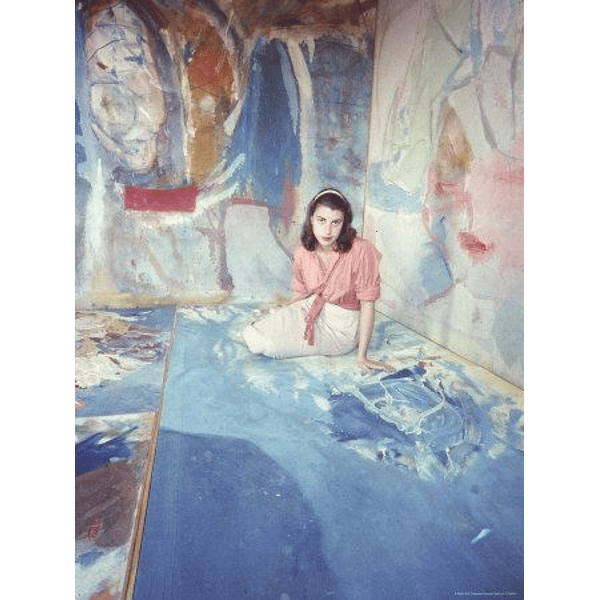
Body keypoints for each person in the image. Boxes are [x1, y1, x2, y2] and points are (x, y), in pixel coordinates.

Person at [243, 188, 394, 372]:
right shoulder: (303, 251)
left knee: (268, 346)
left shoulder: (362, 250)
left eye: (336, 222)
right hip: (311, 307)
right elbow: (300, 293)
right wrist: (287, 312)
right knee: (252, 333)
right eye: (321, 220)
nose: (327, 230)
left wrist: (362, 356)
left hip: (342, 328)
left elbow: (368, 304)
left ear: (344, 223)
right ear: (311, 219)